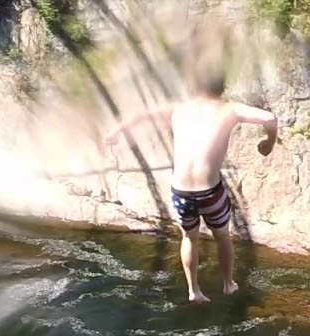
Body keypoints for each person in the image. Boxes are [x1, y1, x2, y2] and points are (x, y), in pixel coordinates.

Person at [102, 66, 278, 303]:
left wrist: (115, 132)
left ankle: (193, 290)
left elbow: (142, 114)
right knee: (222, 236)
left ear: (195, 86)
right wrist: (269, 142)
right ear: (222, 87)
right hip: (211, 191)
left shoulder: (179, 108)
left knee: (189, 237)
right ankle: (228, 284)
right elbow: (269, 118)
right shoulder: (230, 109)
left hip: (181, 192)